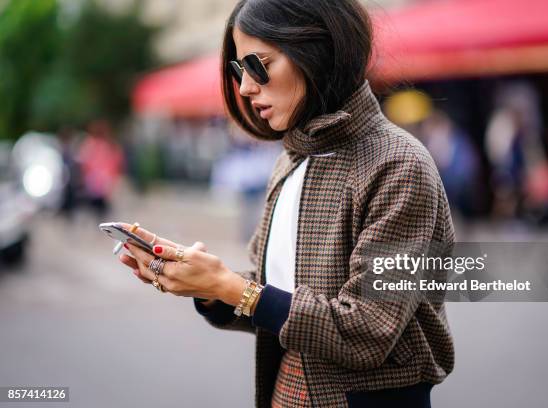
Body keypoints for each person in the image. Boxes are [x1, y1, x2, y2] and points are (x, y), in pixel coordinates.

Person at [118, 1, 455, 406]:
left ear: (318, 50)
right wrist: (206, 287)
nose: (245, 87)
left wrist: (234, 288)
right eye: (238, 70)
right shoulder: (290, 161)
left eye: (258, 65)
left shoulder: (399, 164)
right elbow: (272, 299)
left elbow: (369, 329)